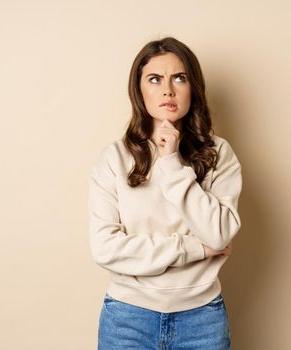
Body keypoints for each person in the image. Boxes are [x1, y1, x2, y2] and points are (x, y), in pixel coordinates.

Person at [88, 36, 243, 349]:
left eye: (179, 78)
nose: (168, 89)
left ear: (193, 88)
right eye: (155, 79)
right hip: (127, 318)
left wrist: (172, 162)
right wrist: (193, 248)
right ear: (139, 89)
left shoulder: (218, 153)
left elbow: (219, 233)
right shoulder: (115, 158)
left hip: (202, 319)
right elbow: (105, 248)